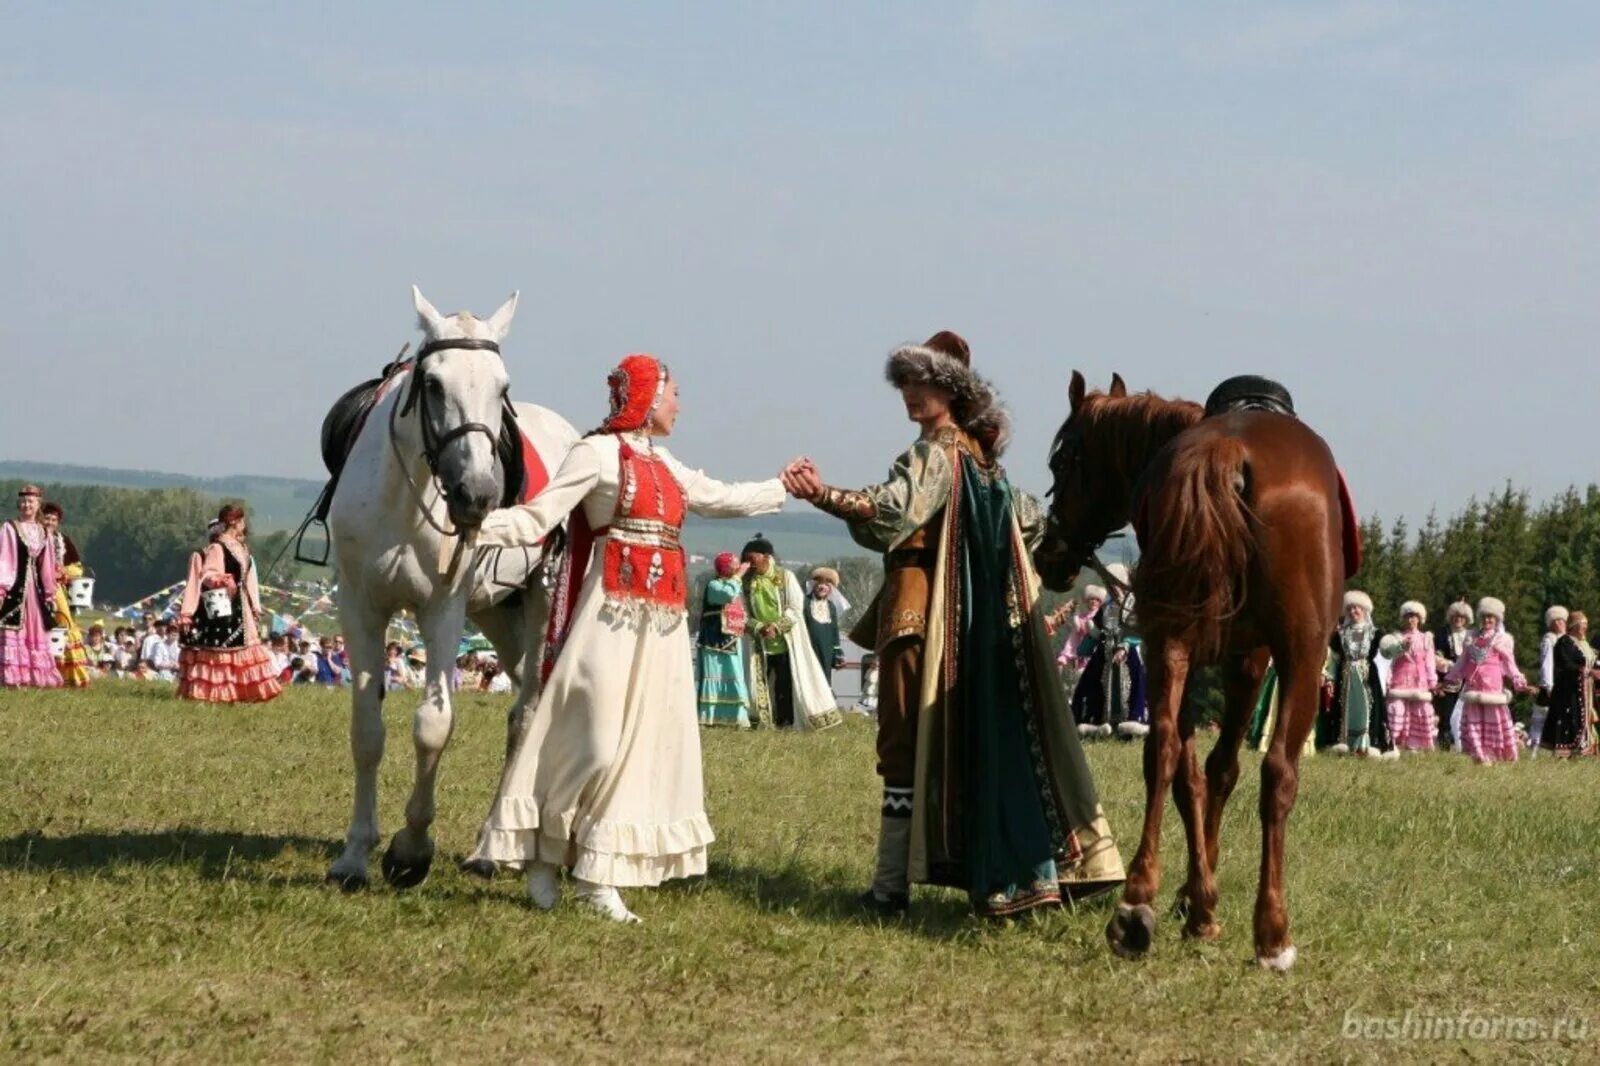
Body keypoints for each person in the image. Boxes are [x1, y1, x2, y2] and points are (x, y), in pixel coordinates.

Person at [784, 330, 1124, 917]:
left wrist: (821, 494)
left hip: (917, 615)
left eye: (924, 385)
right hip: (976, 633)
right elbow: (1035, 526)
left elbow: (891, 510)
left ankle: (890, 888)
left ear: (952, 390)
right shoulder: (985, 463)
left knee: (899, 748)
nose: (911, 396)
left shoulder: (935, 453)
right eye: (907, 385)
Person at [463, 353, 795, 923]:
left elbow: (720, 496)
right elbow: (540, 516)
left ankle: (598, 874)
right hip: (607, 618)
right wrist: (473, 527)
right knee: (593, 742)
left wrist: (783, 486)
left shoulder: (665, 464)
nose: (679, 405)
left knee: (636, 749)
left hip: (661, 629)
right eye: (674, 394)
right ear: (646, 398)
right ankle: (543, 855)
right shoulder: (595, 454)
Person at [176, 506, 283, 703]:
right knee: (220, 649)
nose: (245, 525)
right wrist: (222, 580)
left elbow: (249, 580)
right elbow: (207, 574)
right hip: (219, 603)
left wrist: (254, 606)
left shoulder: (242, 549)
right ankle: (214, 693)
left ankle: (240, 692)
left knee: (243, 649)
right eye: (242, 521)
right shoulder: (216, 548)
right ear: (234, 522)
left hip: (240, 605)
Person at [740, 535, 842, 731]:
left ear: (766, 557)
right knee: (758, 685)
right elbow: (742, 611)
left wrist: (776, 626)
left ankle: (785, 723)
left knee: (786, 684)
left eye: (752, 559)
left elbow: (796, 606)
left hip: (786, 641)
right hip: (760, 643)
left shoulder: (785, 577)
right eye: (746, 560)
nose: (749, 565)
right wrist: (759, 627)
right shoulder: (745, 582)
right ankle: (762, 722)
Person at [1442, 597, 1528, 764]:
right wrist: (1451, 677)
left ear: (1497, 620)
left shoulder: (1502, 639)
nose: (1488, 620)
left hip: (1492, 686)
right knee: (1474, 721)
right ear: (1480, 618)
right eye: (1485, 616)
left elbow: (1510, 663)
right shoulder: (1471, 637)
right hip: (1474, 685)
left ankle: (1495, 754)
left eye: (1491, 617)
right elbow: (1462, 661)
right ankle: (1479, 755)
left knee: (1493, 720)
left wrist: (1518, 679)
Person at [1071, 564, 1148, 740]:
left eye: (1114, 582)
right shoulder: (1107, 605)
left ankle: (1133, 721)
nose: (1112, 587)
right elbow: (1097, 629)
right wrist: (1083, 648)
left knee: (1135, 678)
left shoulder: (1132, 602)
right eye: (1109, 583)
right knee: (1090, 679)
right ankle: (1094, 722)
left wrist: (1124, 646)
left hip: (1128, 651)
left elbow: (1137, 629)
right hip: (1105, 650)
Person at [0, 485, 63, 688]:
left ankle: (32, 676)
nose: (27, 505)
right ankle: (11, 677)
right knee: (12, 628)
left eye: (31, 502)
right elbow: (5, 559)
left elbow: (46, 565)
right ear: (19, 504)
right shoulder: (10, 528)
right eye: (24, 501)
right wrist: (2, 587)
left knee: (34, 630)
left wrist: (49, 593)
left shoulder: (44, 532)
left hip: (34, 591)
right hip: (15, 587)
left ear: (38, 505)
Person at [1319, 591, 1392, 756]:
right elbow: (1334, 659)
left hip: (1366, 676)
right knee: (1345, 708)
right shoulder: (1340, 635)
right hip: (1346, 677)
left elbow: (1388, 650)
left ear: (1365, 610)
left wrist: (1401, 647)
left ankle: (1367, 744)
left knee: (1368, 707)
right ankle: (1345, 743)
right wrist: (1328, 676)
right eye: (1350, 609)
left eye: (1356, 608)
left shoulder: (1375, 633)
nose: (1353, 612)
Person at [695, 552, 753, 728]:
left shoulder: (736, 586)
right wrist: (739, 576)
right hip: (714, 641)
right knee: (715, 677)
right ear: (726, 568)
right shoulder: (714, 585)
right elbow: (726, 595)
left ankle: (736, 718)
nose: (737, 568)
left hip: (732, 640)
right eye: (734, 565)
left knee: (735, 675)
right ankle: (710, 718)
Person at [39, 502, 91, 687]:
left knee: (64, 624)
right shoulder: (33, 537)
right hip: (33, 587)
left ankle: (69, 675)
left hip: (56, 589)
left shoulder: (63, 540)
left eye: (54, 519)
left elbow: (77, 567)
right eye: (47, 518)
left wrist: (63, 572)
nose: (50, 522)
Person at [1539, 610, 1598, 758]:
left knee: (1583, 718)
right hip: (1569, 691)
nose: (1585, 627)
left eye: (1586, 624)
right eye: (1582, 624)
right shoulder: (1564, 642)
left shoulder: (1585, 644)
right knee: (1569, 718)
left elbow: (1593, 661)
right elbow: (1565, 664)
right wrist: (1587, 672)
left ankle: (1584, 748)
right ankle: (1566, 752)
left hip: (1585, 690)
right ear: (1573, 626)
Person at [1381, 601, 1437, 752]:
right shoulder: (1396, 638)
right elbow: (1390, 660)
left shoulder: (1426, 638)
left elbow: (1430, 661)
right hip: (1400, 678)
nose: (1411, 620)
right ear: (1403, 619)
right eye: (1408, 617)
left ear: (1419, 619)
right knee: (1397, 710)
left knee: (1420, 711)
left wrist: (1432, 680)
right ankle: (1394, 742)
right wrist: (1387, 678)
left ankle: (1415, 744)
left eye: (1414, 617)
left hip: (1420, 678)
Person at [1432, 600, 1473, 751]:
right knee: (1446, 716)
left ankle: (1464, 746)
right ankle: (1444, 747)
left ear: (1467, 619)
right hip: (1447, 681)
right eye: (1456, 616)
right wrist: (1451, 666)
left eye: (1462, 617)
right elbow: (1435, 655)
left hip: (1467, 682)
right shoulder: (1442, 634)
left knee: (1465, 716)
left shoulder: (1471, 635)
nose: (1458, 619)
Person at [1055, 586, 1104, 707]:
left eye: (1096, 600)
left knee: (1081, 678)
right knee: (1072, 677)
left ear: (1100, 603)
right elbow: (1074, 635)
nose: (1093, 602)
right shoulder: (1081, 617)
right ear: (1087, 601)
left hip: (1091, 654)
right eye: (1091, 599)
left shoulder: (1101, 619)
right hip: (1078, 652)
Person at [1531, 606, 1568, 754]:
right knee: (1540, 718)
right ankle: (1534, 749)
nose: (1559, 623)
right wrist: (1548, 685)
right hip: (1551, 684)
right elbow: (1547, 663)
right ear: (1551, 624)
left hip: (1565, 684)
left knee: (1562, 717)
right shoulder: (1549, 639)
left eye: (1561, 620)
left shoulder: (1569, 640)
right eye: (1556, 620)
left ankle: (1560, 749)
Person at [803, 566, 847, 687]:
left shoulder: (831, 606)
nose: (822, 587)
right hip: (808, 648)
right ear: (813, 586)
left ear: (830, 589)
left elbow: (834, 630)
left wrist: (837, 651)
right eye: (819, 584)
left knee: (824, 680)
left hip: (826, 650)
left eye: (826, 585)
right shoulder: (804, 603)